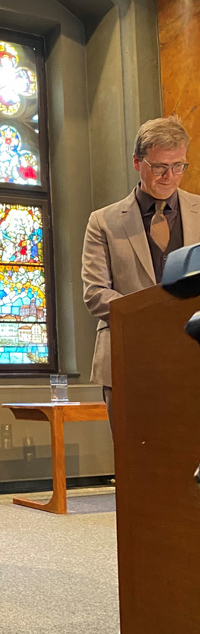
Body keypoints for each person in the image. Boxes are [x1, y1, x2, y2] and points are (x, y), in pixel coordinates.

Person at [82, 116, 200, 416]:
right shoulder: (103, 221)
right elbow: (95, 293)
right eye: (160, 167)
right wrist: (149, 317)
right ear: (137, 161)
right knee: (135, 445)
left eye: (178, 166)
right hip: (127, 357)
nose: (169, 176)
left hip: (193, 354)